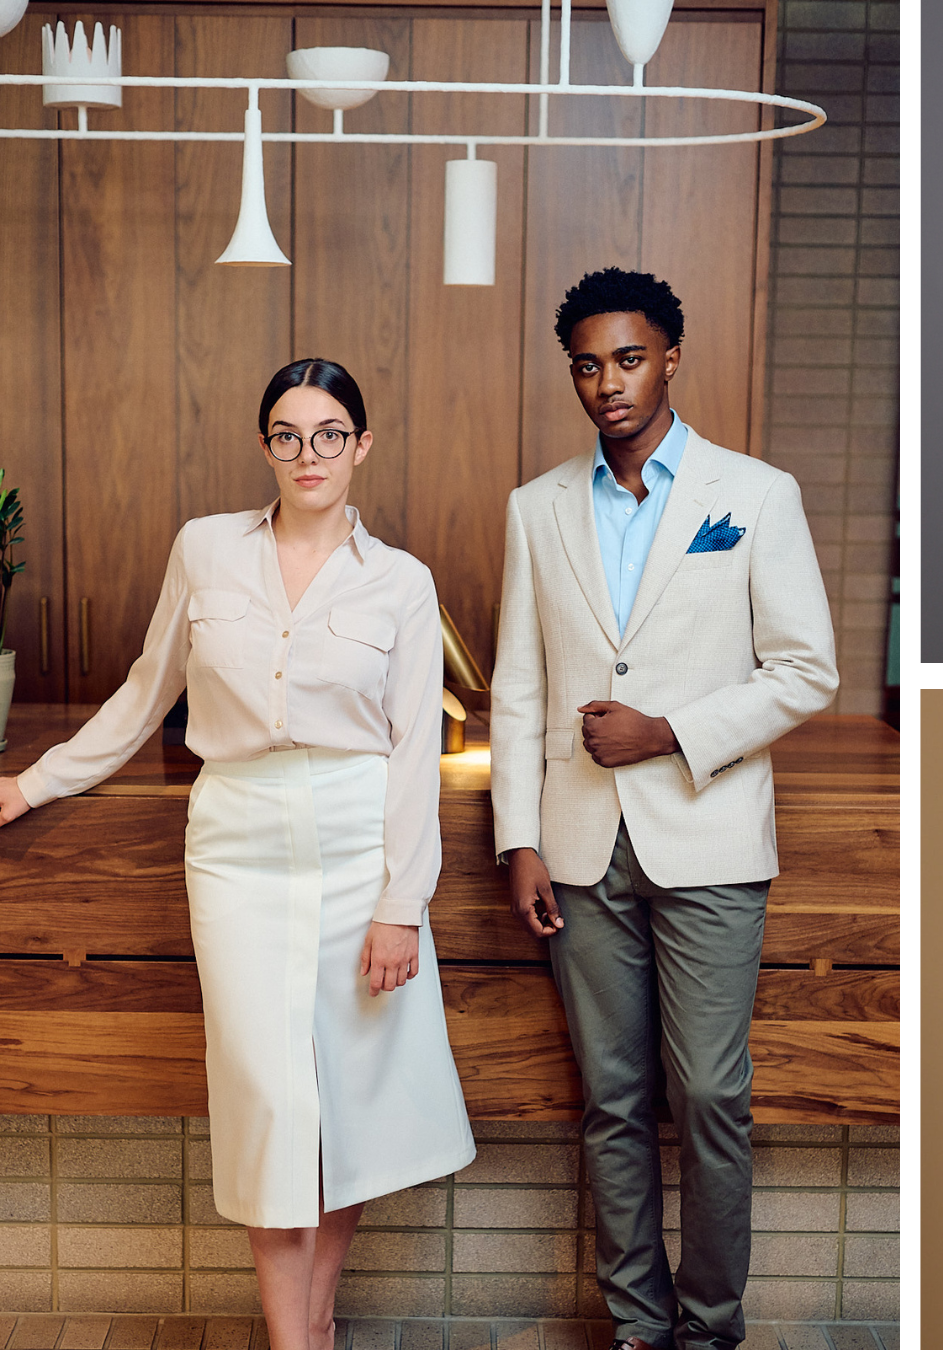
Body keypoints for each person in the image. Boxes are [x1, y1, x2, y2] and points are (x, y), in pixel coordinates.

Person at [0, 359, 475, 1350]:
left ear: (362, 444)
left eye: (331, 433)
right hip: (235, 849)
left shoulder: (400, 581)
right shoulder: (206, 550)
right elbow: (144, 691)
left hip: (356, 849)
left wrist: (400, 904)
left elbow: (410, 756)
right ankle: (291, 1340)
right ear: (266, 445)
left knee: (344, 1102)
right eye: (290, 434)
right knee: (268, 1096)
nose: (311, 454)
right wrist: (32, 781)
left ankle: (312, 1327)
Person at [490, 267, 838, 1350]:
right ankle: (639, 1328)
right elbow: (517, 688)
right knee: (610, 1102)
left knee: (712, 1103)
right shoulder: (535, 508)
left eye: (629, 358)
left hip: (712, 840)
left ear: (672, 356)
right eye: (588, 365)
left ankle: (711, 1328)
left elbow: (805, 669)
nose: (608, 384)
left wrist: (667, 732)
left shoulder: (755, 495)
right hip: (582, 848)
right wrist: (518, 837)